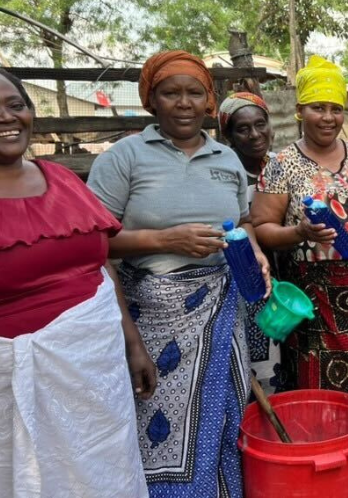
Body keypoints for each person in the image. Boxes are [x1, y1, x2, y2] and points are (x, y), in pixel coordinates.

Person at [0, 65, 153, 498]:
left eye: (15, 104)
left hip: (94, 380)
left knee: (102, 477)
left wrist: (131, 342)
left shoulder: (61, 179)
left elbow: (100, 266)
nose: (6, 116)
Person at [88, 51, 270, 498]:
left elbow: (243, 222)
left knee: (225, 413)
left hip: (223, 302)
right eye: (171, 93)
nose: (184, 103)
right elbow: (93, 243)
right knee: (156, 421)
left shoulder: (226, 158)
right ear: (152, 100)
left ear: (209, 101)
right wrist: (167, 240)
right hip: (154, 310)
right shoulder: (124, 158)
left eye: (195, 93)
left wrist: (258, 252)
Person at [252, 55, 348, 415]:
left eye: (335, 109)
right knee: (320, 394)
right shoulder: (282, 164)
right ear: (301, 110)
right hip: (314, 299)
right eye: (319, 107)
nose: (329, 117)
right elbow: (261, 228)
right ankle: (327, 462)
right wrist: (298, 232)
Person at [219, 91, 281, 395]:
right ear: (228, 135)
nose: (255, 134)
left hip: (289, 278)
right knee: (258, 363)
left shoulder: (282, 164)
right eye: (243, 128)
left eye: (261, 124)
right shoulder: (223, 172)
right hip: (249, 280)